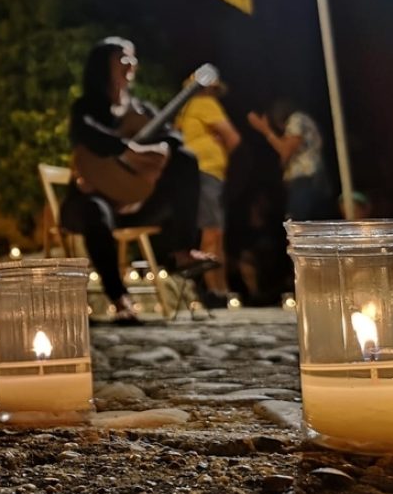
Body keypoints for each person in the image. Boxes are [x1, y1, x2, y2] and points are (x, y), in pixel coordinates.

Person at [60, 37, 216, 323]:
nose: (131, 64)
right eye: (123, 58)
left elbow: (173, 136)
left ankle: (183, 250)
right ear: (103, 65)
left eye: (133, 58)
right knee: (95, 210)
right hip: (91, 203)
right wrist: (128, 151)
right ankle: (120, 299)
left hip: (137, 204)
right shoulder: (86, 108)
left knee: (185, 158)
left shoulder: (142, 110)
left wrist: (160, 152)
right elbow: (87, 135)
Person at [175, 74, 240, 303]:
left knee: (215, 232)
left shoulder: (185, 109)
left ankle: (220, 290)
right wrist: (222, 150)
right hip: (206, 172)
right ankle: (214, 292)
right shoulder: (204, 104)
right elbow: (233, 138)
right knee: (212, 232)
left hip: (200, 173)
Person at [247, 98, 332, 220]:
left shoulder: (296, 119)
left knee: (296, 225)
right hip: (313, 179)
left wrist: (265, 130)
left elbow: (285, 150)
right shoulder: (304, 121)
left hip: (306, 178)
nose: (283, 131)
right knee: (311, 224)